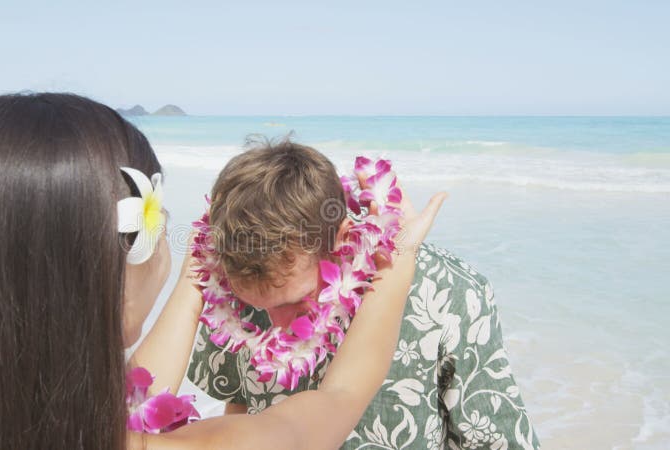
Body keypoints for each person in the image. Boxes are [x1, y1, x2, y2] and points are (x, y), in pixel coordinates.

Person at [0, 93, 446, 450]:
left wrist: (209, 268)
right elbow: (338, 397)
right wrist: (395, 256)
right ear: (113, 269)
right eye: (162, 217)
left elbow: (132, 391)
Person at [187, 140, 541, 449]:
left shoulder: (448, 289)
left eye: (294, 301)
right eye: (258, 307)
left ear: (340, 238)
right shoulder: (227, 292)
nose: (277, 327)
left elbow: (493, 440)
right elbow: (235, 407)